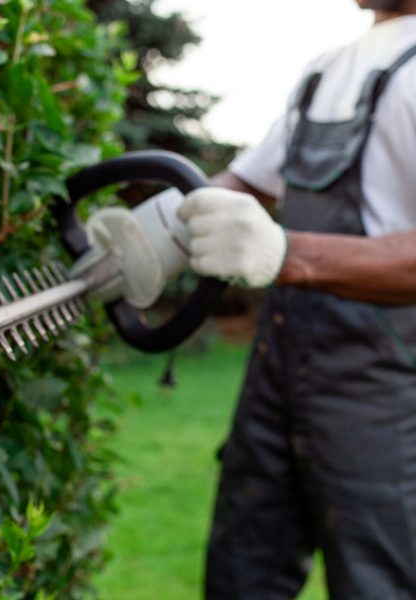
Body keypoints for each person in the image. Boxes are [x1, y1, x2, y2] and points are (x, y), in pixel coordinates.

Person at [78, 0, 416, 597]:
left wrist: (289, 253)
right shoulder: (327, 69)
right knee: (241, 569)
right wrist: (152, 230)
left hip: (383, 385)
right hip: (279, 366)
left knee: (379, 581)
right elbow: (245, 185)